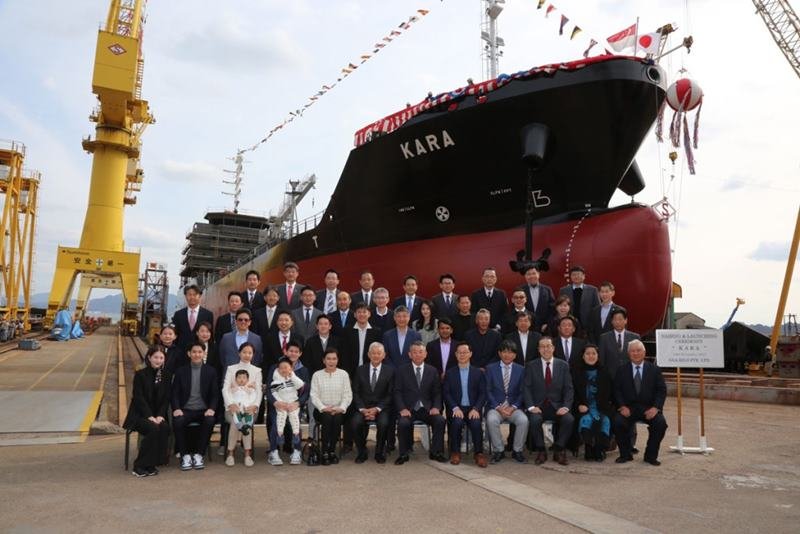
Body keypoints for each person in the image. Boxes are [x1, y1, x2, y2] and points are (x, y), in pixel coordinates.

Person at [613, 340, 668, 466]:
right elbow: (616, 390)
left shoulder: (654, 370)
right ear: (628, 353)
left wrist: (655, 408)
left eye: (638, 350)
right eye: (632, 351)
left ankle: (650, 456)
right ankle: (625, 454)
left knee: (660, 424)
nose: (636, 353)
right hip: (629, 407)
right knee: (617, 422)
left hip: (648, 407)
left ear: (644, 352)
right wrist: (622, 407)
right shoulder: (622, 370)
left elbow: (661, 390)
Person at [393, 341, 447, 465]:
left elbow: (437, 392)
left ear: (425, 354)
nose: (418, 355)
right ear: (409, 354)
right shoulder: (401, 370)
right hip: (408, 409)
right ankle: (404, 453)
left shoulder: (432, 371)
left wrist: (436, 407)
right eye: (415, 352)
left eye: (420, 352)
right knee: (403, 423)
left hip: (427, 409)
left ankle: (436, 452)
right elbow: (397, 392)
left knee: (440, 421)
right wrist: (402, 408)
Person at [524, 336, 574, 466]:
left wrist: (566, 407)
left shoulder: (563, 365)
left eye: (548, 346)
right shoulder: (531, 365)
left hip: (557, 406)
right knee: (534, 420)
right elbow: (526, 388)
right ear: (538, 349)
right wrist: (531, 407)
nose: (545, 349)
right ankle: (541, 450)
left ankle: (559, 449)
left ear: (553, 348)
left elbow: (569, 389)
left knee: (569, 419)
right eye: (542, 346)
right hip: (538, 406)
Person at [123, 347, 171, 477]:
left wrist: (160, 415)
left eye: (161, 358)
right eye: (155, 357)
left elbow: (166, 399)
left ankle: (152, 463)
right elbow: (138, 398)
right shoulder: (140, 374)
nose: (158, 360)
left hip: (157, 415)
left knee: (165, 427)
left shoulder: (166, 375)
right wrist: (149, 416)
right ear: (149, 358)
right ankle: (139, 465)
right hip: (140, 415)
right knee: (153, 429)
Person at [171, 341, 218, 471]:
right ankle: (185, 455)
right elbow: (174, 394)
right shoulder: (181, 371)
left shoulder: (211, 371)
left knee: (210, 420)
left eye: (200, 352)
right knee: (178, 421)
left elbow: (215, 394)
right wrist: (177, 408)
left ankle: (199, 454)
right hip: (186, 410)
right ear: (189, 354)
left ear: (204, 353)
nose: (197, 354)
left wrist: (211, 408)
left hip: (203, 410)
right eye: (194, 352)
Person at [443, 342, 487, 467]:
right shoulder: (450, 373)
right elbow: (446, 393)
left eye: (465, 352)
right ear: (456, 355)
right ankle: (455, 452)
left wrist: (476, 408)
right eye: (459, 353)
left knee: (476, 423)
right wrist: (455, 408)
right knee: (456, 422)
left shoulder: (478, 373)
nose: (462, 355)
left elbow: (482, 393)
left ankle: (478, 453)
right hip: (458, 408)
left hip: (473, 408)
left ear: (470, 354)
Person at [266, 340, 310, 466]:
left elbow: (306, 390)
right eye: (291, 351)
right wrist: (275, 402)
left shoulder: (303, 370)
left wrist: (298, 403)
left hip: (294, 403)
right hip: (278, 404)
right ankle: (273, 451)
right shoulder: (275, 368)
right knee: (275, 422)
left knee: (295, 423)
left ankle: (297, 450)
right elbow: (269, 389)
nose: (293, 353)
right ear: (285, 351)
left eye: (296, 351)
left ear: (300, 353)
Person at [485, 341, 529, 464]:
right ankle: (499, 450)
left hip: (513, 408)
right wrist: (498, 407)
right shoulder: (490, 368)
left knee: (523, 420)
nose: (507, 355)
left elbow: (522, 392)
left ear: (514, 355)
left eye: (510, 352)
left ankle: (517, 451)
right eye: (504, 351)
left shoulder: (521, 369)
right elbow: (487, 390)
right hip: (496, 407)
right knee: (491, 419)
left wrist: (513, 407)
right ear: (499, 353)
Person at [351, 342, 395, 463]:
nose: (376, 355)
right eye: (373, 353)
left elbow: (390, 394)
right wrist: (362, 409)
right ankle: (362, 451)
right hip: (363, 408)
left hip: (381, 408)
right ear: (368, 354)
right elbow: (355, 392)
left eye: (379, 353)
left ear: (384, 355)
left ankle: (379, 451)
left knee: (383, 423)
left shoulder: (390, 371)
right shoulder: (360, 370)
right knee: (355, 423)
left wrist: (377, 409)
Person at [221, 341, 262, 467]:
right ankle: (230, 453)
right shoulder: (231, 369)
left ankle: (247, 454)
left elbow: (259, 390)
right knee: (235, 420)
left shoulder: (257, 370)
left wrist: (255, 406)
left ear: (253, 355)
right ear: (239, 353)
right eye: (244, 352)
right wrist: (230, 404)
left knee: (245, 421)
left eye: (250, 353)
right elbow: (225, 389)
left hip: (250, 407)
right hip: (232, 407)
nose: (247, 355)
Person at [309, 348, 353, 465]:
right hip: (321, 410)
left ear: (338, 360)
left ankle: (332, 450)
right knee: (327, 417)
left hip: (339, 409)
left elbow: (348, 395)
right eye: (328, 358)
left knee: (337, 418)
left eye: (334, 359)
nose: (331, 361)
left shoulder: (343, 374)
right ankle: (324, 451)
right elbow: (314, 395)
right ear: (323, 360)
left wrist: (341, 408)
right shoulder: (317, 375)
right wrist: (323, 408)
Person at [572, 344, 614, 461]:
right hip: (583, 407)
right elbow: (572, 393)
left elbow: (611, 393)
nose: (591, 356)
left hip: (602, 407)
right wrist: (578, 405)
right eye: (588, 353)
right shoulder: (576, 372)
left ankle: (599, 449)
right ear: (583, 356)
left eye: (594, 353)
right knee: (586, 420)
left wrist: (608, 406)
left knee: (605, 420)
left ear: (598, 356)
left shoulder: (605, 372)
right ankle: (589, 447)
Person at [268, 357, 305, 458]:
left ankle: (296, 435)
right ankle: (280, 435)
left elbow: (301, 385)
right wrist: (280, 403)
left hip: (293, 404)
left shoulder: (293, 379)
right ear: (278, 370)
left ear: (291, 369)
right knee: (281, 417)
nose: (284, 370)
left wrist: (292, 376)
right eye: (281, 368)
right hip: (282, 404)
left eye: (286, 368)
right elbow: (274, 393)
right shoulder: (275, 382)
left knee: (294, 417)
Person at [224, 370, 259, 467]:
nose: (241, 380)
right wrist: (233, 406)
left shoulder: (251, 390)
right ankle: (230, 453)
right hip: (234, 411)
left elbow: (254, 399)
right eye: (239, 378)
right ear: (235, 379)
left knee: (246, 426)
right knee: (234, 424)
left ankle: (247, 454)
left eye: (244, 378)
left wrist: (248, 407)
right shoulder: (232, 389)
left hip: (247, 411)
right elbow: (228, 399)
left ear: (247, 379)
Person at [598, 308, 641, 379]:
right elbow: (601, 360)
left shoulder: (635, 337)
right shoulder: (604, 338)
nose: (618, 322)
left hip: (630, 376)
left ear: (626, 320)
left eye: (620, 319)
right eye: (615, 319)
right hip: (610, 377)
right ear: (612, 321)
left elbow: (639, 358)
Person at [218, 308, 263, 375]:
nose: (243, 322)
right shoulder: (226, 337)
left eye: (246, 320)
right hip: (229, 377)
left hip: (250, 378)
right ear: (236, 321)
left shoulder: (257, 339)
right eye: (240, 319)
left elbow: (257, 359)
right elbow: (222, 358)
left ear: (250, 322)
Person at [172, 284, 214, 351]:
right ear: (185, 296)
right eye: (189, 294)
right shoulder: (178, 314)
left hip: (200, 353)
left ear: (199, 296)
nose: (192, 297)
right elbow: (175, 334)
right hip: (181, 352)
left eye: (194, 295)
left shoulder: (208, 314)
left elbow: (211, 336)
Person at [343, 302, 383, 374]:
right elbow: (344, 354)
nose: (361, 314)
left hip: (370, 371)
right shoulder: (347, 331)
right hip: (351, 371)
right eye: (359, 312)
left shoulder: (376, 331)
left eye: (364, 312)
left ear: (369, 314)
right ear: (355, 315)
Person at [519, 265, 555, 332]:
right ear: (525, 276)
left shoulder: (547, 290)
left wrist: (548, 323)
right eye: (528, 274)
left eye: (534, 273)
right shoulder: (520, 290)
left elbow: (552, 308)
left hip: (544, 328)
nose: (531, 276)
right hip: (526, 327)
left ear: (538, 274)